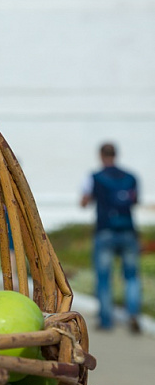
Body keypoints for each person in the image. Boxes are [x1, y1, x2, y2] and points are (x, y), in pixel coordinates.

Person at [80, 142, 142, 334]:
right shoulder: (131, 177)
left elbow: (84, 201)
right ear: (116, 154)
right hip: (128, 231)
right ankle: (133, 313)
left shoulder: (95, 177)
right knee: (131, 276)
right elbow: (135, 201)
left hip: (105, 231)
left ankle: (106, 320)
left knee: (104, 277)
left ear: (100, 155)